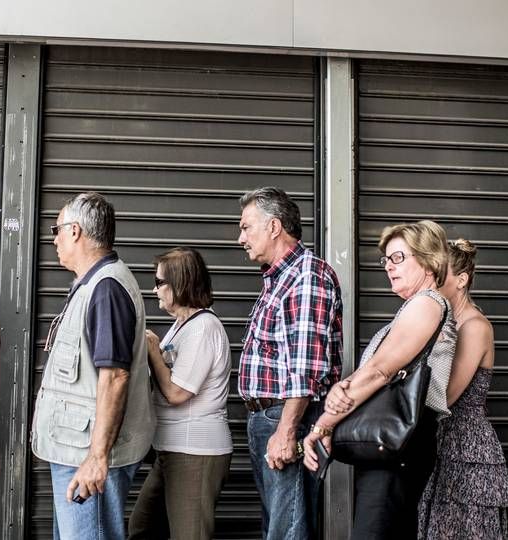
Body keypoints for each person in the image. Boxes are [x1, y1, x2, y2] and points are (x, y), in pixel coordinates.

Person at [303, 220, 457, 540]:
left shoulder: (426, 304)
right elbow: (374, 370)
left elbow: (381, 371)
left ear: (428, 260)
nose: (388, 266)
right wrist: (340, 394)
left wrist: (323, 425)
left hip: (401, 439)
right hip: (395, 441)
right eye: (386, 259)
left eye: (398, 257)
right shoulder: (413, 308)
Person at [31, 192, 155, 540]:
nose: (53, 238)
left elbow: (115, 376)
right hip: (74, 449)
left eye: (56, 229)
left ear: (75, 231)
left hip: (88, 456)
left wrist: (97, 458)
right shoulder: (92, 284)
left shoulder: (107, 288)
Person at [236, 187, 342, 539]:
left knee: (289, 530)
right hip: (268, 418)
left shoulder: (306, 276)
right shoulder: (279, 278)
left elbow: (304, 367)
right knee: (278, 526)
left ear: (274, 227)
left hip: (286, 418)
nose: (241, 238)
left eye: (246, 227)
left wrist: (286, 431)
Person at [128, 247, 233, 540]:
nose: (155, 289)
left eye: (160, 282)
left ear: (180, 283)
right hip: (172, 449)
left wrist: (153, 351)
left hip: (194, 451)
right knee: (143, 527)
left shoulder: (203, 328)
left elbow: (176, 392)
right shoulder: (182, 326)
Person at [417, 239, 508, 539]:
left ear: (462, 280)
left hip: (465, 447)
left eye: (437, 274)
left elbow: (445, 396)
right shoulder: (440, 319)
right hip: (437, 441)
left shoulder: (474, 326)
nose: (429, 281)